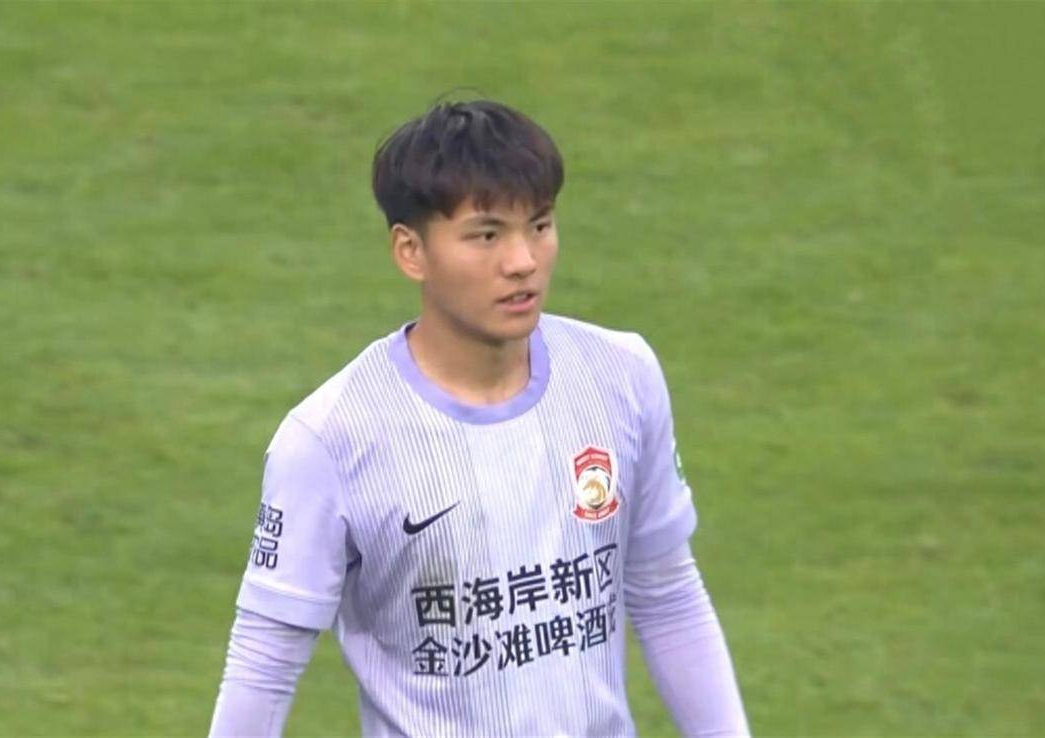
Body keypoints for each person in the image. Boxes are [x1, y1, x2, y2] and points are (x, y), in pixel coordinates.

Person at [207, 98, 750, 737]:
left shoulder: (621, 376)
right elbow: (265, 667)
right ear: (411, 251)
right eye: (487, 235)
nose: (522, 260)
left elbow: (668, 597)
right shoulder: (330, 439)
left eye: (539, 225)